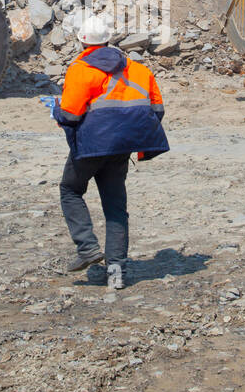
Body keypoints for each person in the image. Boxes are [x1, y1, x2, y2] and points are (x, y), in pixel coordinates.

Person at [47, 15, 169, 289]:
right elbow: (157, 110)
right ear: (109, 40)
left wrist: (55, 108)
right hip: (120, 149)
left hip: (92, 146)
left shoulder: (80, 68)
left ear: (82, 42)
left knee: (70, 190)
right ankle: (117, 273)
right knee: (115, 207)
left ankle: (88, 249)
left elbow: (70, 114)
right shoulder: (138, 69)